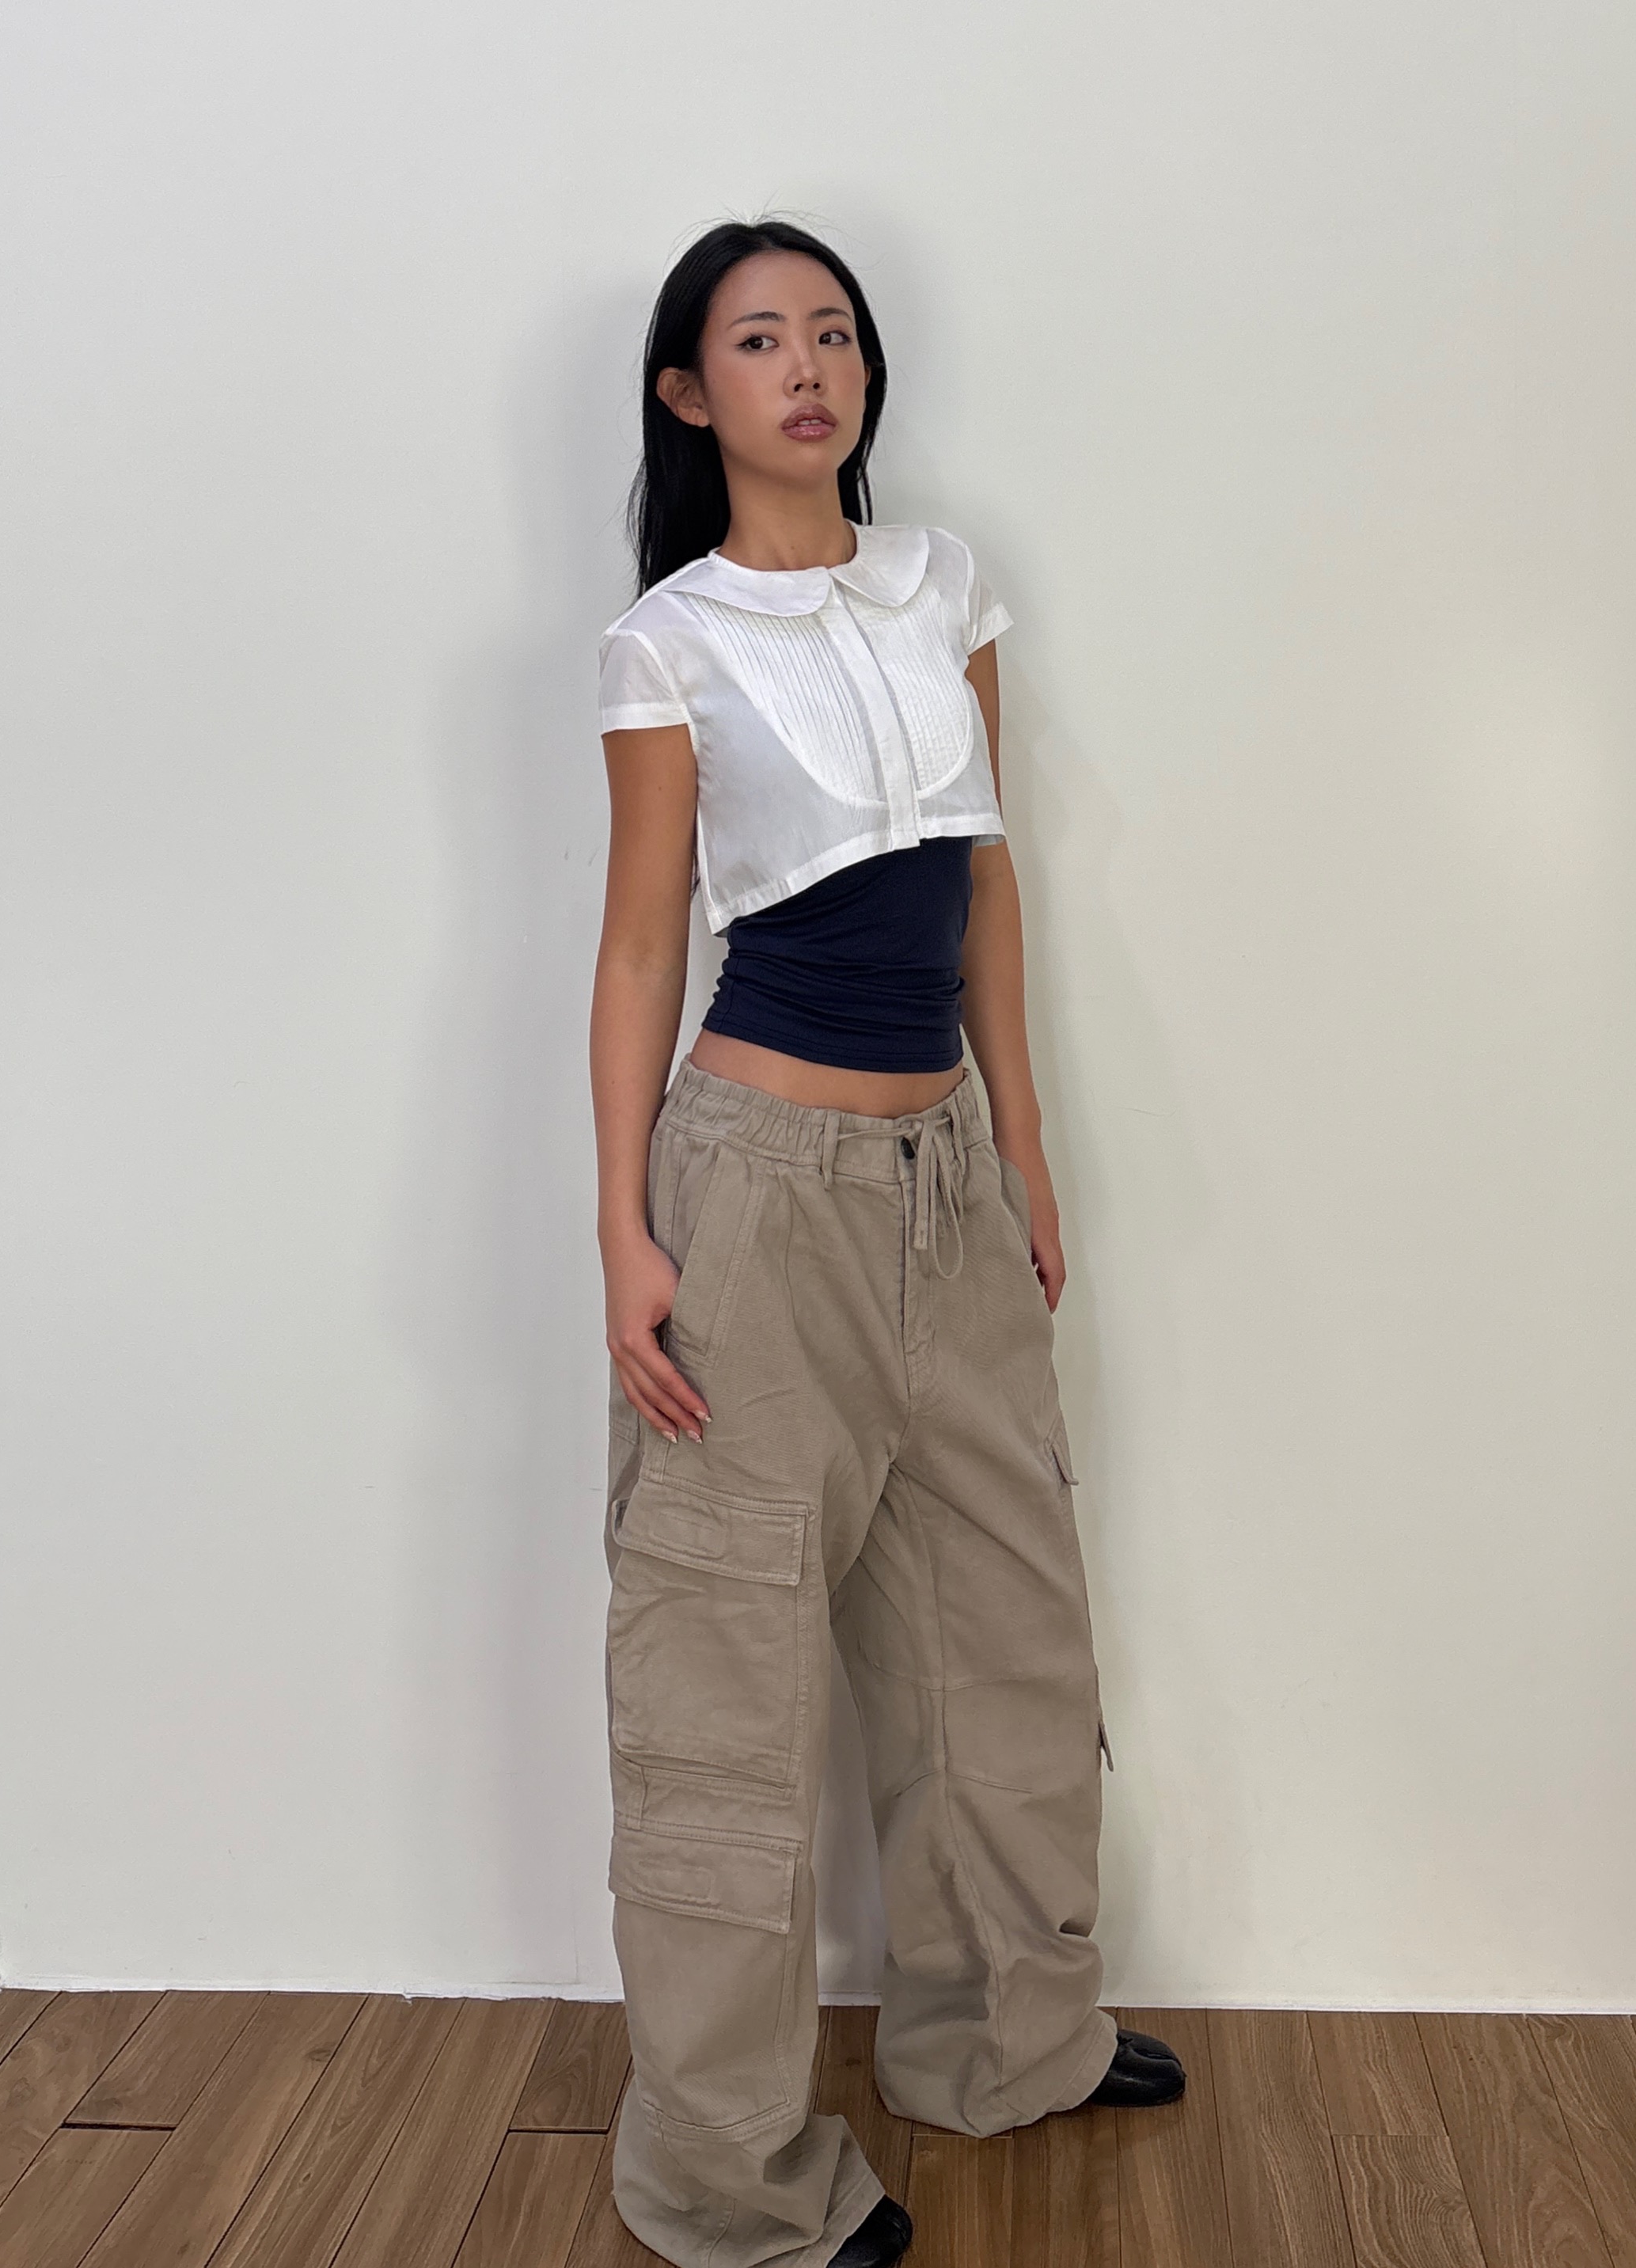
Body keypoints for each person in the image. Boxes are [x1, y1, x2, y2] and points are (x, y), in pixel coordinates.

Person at [589, 217, 1183, 2268]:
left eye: (832, 332)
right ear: (692, 393)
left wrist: (1024, 1139)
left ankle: (1006, 2037)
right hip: (757, 1196)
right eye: (760, 339)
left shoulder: (943, 584)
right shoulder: (666, 640)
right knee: (728, 1691)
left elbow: (987, 876)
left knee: (1002, 1631)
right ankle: (727, 2180)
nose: (807, 367)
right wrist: (623, 1231)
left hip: (945, 1181)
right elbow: (643, 944)